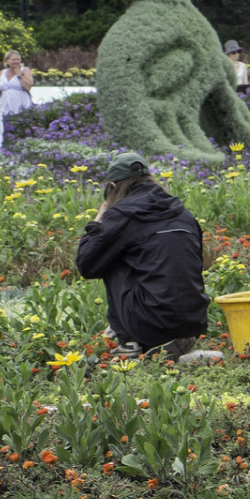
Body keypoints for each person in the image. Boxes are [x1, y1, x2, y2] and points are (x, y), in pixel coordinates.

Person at [75, 152, 209, 360]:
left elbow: (86, 264)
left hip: (150, 324)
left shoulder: (122, 215)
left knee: (107, 255)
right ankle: (176, 337)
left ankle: (130, 342)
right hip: (193, 321)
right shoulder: (182, 213)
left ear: (112, 187)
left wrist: (101, 216)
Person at [0, 50, 35, 157]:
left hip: (20, 101)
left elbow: (28, 86)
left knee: (20, 124)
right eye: (13, 59)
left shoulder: (25, 70)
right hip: (5, 102)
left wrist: (19, 74)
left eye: (18, 59)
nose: (16, 62)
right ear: (7, 61)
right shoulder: (2, 72)